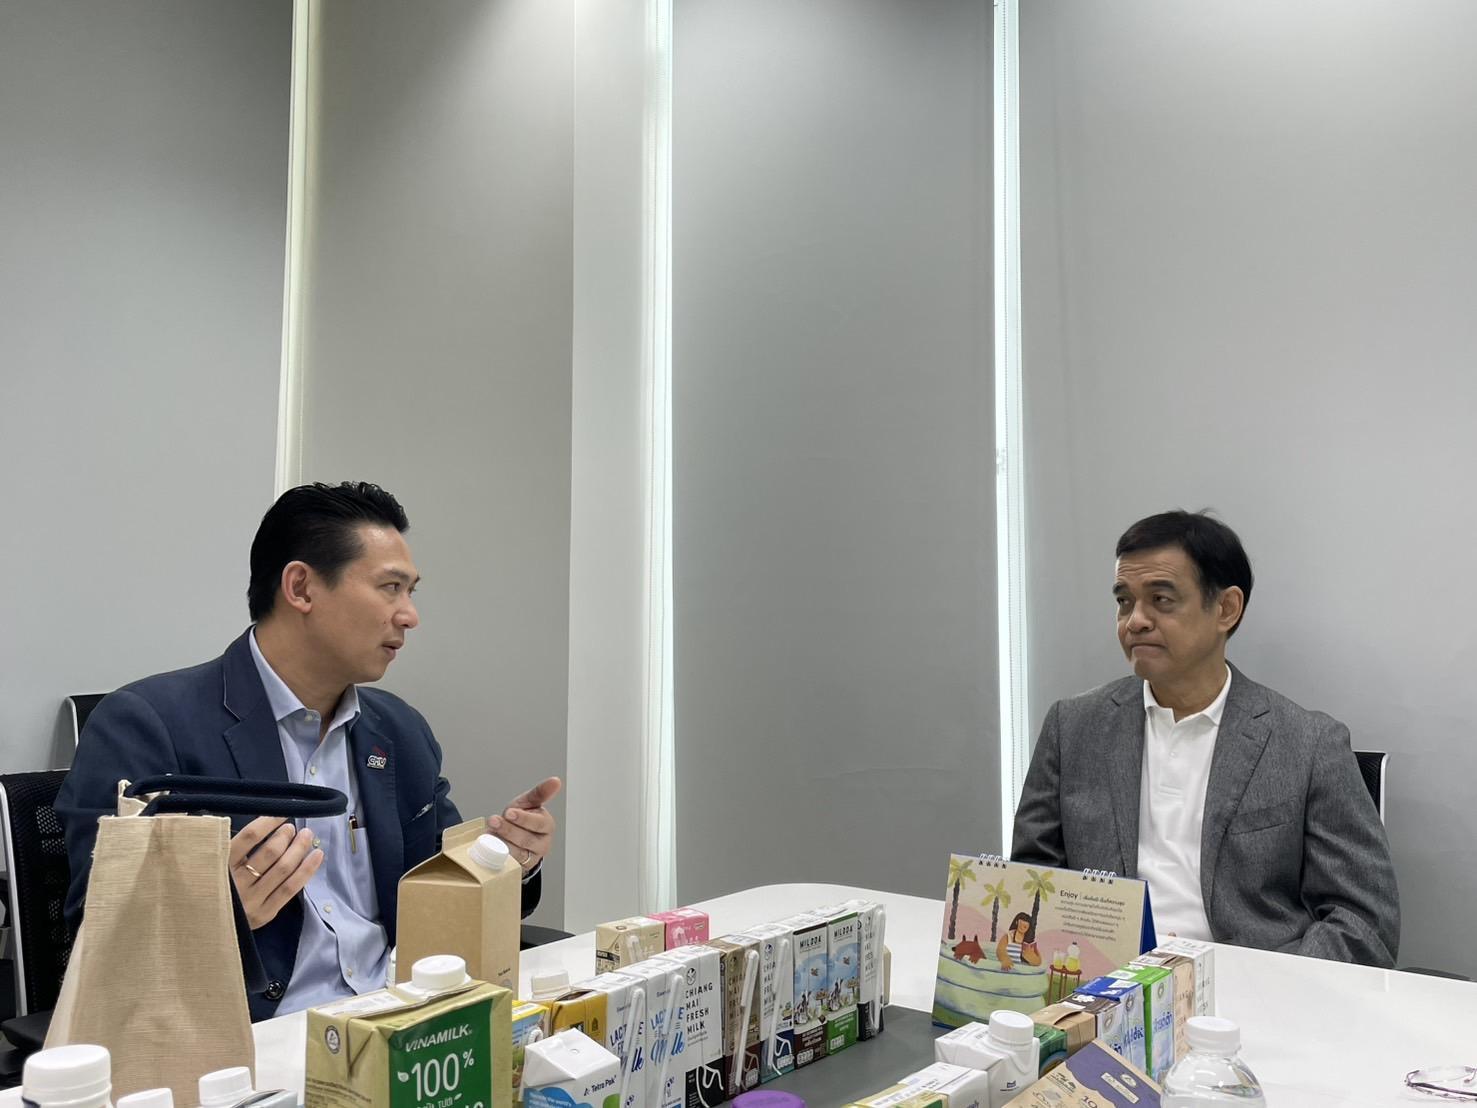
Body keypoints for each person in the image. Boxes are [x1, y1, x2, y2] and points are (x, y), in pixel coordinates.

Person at [57, 481, 563, 1018]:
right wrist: (212, 916)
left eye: (411, 592)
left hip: (402, 1018)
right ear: (300, 587)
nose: (409, 615)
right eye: (390, 588)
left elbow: (442, 883)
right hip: (252, 1035)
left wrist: (507, 859)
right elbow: (98, 937)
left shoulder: (400, 730)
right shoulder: (148, 724)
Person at [1011, 510, 1399, 967]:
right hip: (1106, 981)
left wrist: (1263, 982)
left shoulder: (1309, 744)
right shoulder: (1073, 727)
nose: (1135, 621)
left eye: (1161, 599)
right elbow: (1033, 878)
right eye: (1124, 601)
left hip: (1247, 986)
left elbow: (1363, 921)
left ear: (1226, 609)